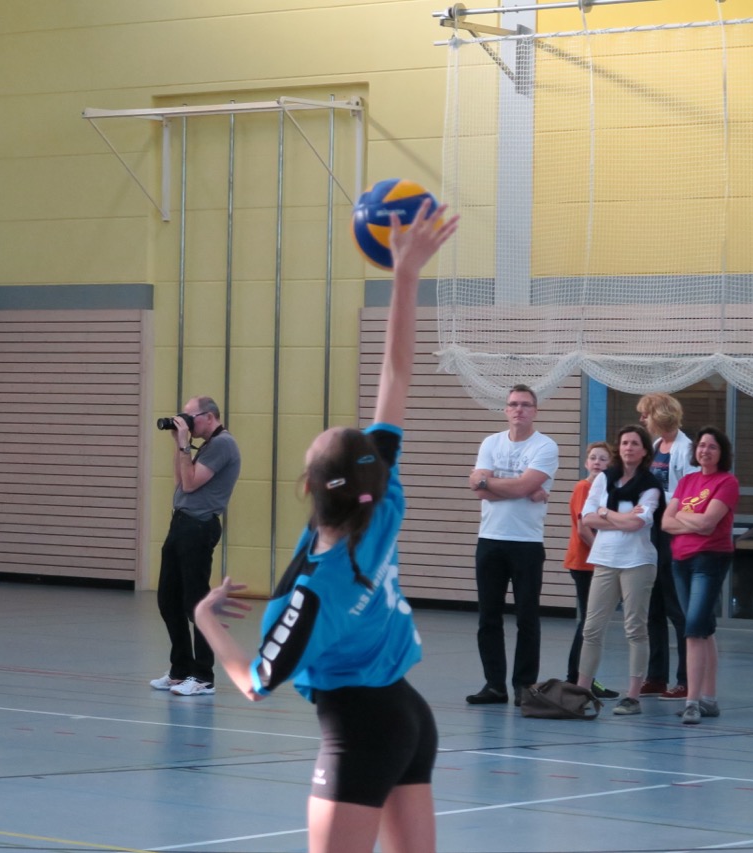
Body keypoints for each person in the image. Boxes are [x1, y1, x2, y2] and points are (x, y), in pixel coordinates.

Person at [193, 202, 458, 853]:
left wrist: (205, 620)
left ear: (308, 487)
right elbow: (396, 374)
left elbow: (256, 682)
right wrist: (406, 276)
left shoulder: (312, 593)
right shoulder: (384, 505)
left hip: (359, 734)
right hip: (410, 716)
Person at [466, 384, 559, 706]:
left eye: (526, 405)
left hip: (526, 543)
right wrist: (516, 487)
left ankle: (523, 685)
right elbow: (480, 490)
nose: (519, 409)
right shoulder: (490, 443)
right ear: (506, 410)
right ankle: (494, 685)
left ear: (535, 411)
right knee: (488, 617)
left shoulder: (545, 446)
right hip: (490, 539)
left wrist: (491, 482)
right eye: (514, 404)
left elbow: (511, 486)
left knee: (526, 618)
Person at [149, 396, 241, 697]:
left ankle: (203, 676)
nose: (187, 422)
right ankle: (180, 670)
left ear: (209, 417)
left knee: (196, 602)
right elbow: (181, 480)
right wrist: (179, 443)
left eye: (191, 417)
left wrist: (185, 444)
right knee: (168, 599)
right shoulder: (206, 446)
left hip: (199, 527)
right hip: (181, 524)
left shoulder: (223, 444)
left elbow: (190, 485)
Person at [577, 424, 664, 716]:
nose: (628, 447)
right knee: (592, 629)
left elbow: (637, 523)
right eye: (624, 442)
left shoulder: (651, 485)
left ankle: (633, 696)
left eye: (635, 443)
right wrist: (616, 517)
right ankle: (581, 692)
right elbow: (588, 518)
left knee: (635, 629)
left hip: (637, 562)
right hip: (605, 559)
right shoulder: (604, 478)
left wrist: (605, 513)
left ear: (644, 451)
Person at [661, 427, 739, 725]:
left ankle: (692, 702)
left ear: (722, 453)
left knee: (693, 629)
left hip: (710, 559)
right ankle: (709, 699)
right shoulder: (687, 481)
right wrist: (690, 520)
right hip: (680, 560)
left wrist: (683, 517)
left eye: (712, 447)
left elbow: (709, 523)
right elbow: (666, 522)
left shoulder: (727, 482)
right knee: (704, 628)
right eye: (702, 445)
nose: (705, 450)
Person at [636, 392, 695, 699]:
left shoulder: (687, 449)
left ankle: (686, 678)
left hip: (673, 532)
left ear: (658, 415)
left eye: (645, 414)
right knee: (653, 606)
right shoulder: (656, 446)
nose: (642, 420)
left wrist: (659, 499)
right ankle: (656, 675)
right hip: (652, 531)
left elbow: (690, 495)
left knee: (676, 607)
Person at [561, 441, 618, 699]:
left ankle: (582, 676)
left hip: (594, 562)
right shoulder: (584, 487)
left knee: (590, 622)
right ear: (586, 463)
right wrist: (602, 553)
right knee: (589, 622)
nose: (597, 462)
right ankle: (578, 677)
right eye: (593, 458)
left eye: (603, 459)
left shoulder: (604, 490)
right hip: (585, 563)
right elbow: (584, 528)